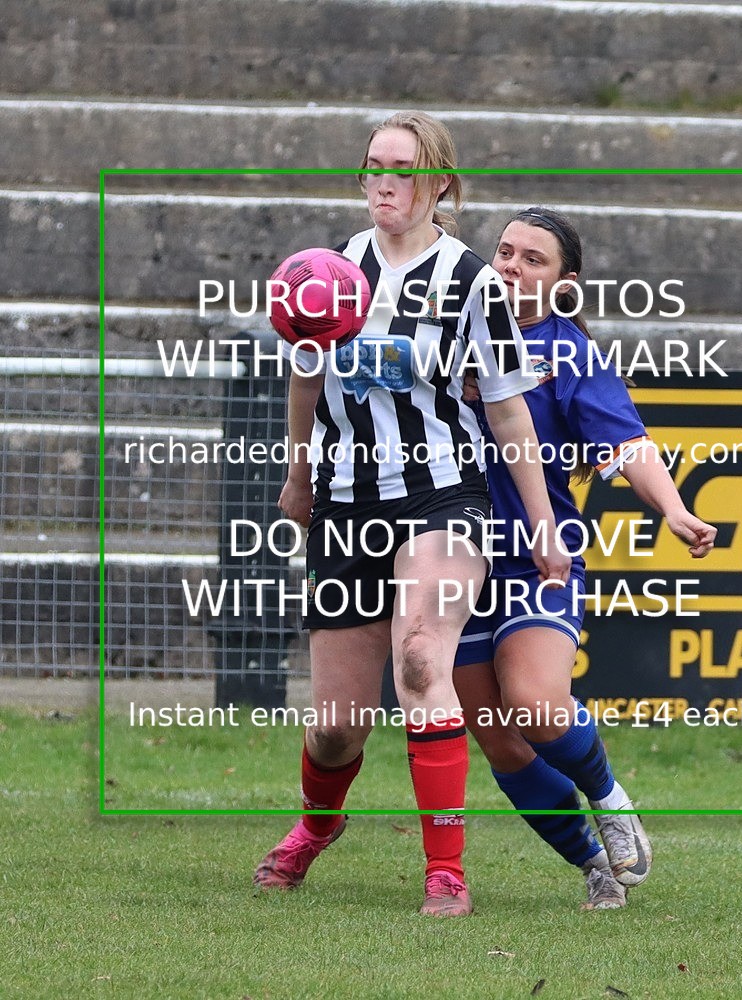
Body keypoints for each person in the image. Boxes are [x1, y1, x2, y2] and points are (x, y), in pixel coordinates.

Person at [253, 116, 571, 916]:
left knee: (424, 661)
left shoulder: (472, 282)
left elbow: (507, 412)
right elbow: (305, 381)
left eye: (401, 168)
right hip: (347, 502)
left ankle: (445, 871)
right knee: (337, 726)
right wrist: (299, 475)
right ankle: (317, 824)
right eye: (372, 167)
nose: (383, 183)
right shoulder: (327, 270)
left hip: (442, 495)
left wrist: (540, 524)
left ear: (440, 183)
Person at [453, 207, 717, 909]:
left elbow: (626, 445)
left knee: (535, 704)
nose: (511, 267)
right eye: (504, 252)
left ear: (564, 283)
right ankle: (595, 864)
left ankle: (608, 795)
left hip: (535, 559)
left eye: (532, 259)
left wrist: (674, 509)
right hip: (446, 560)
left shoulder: (566, 354)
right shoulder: (448, 331)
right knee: (502, 743)